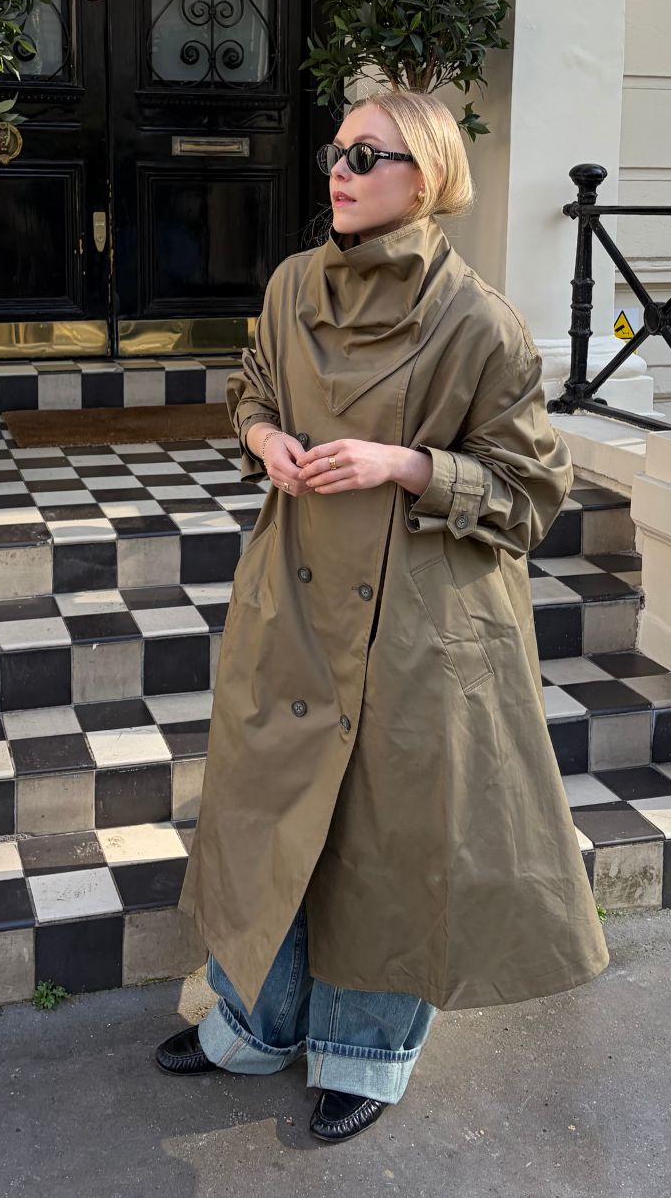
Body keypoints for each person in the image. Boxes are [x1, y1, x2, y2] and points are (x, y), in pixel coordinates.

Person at [158, 89, 610, 1143]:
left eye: (371, 153)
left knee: (388, 837)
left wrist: (407, 464)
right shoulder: (288, 286)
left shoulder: (478, 321)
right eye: (338, 148)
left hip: (418, 622)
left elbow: (534, 491)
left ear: (429, 177)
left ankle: (365, 1050)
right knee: (273, 812)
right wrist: (264, 440)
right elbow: (254, 385)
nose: (342, 168)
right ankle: (254, 1021)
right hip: (294, 598)